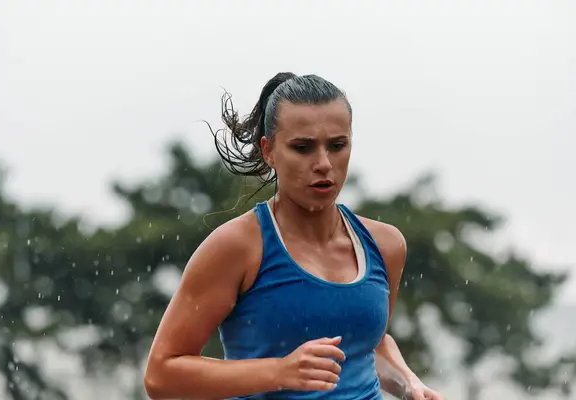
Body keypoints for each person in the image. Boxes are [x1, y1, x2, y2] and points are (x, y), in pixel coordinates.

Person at [144, 72, 444, 400]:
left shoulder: (385, 245)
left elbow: (369, 343)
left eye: (337, 146)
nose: (323, 164)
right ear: (268, 151)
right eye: (303, 147)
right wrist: (278, 371)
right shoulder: (236, 247)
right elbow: (161, 375)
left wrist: (408, 383)